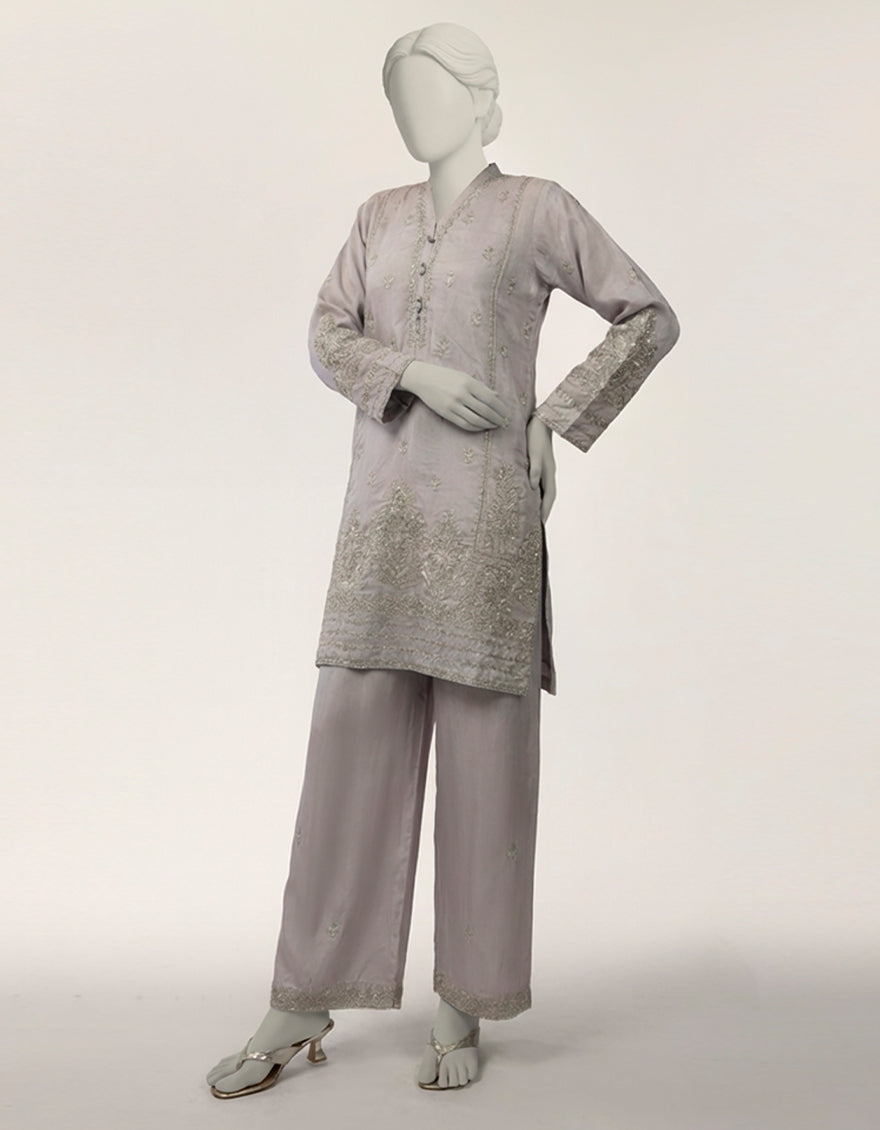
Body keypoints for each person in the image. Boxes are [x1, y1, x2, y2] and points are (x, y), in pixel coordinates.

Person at [205, 21, 680, 1097]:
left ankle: (465, 997)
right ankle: (303, 994)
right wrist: (412, 369)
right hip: (383, 519)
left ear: (479, 98)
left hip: (486, 517)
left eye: (431, 89)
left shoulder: (540, 209)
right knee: (349, 747)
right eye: (400, 95)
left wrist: (555, 418)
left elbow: (647, 316)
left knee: (484, 761)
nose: (414, 112)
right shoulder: (376, 218)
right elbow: (328, 333)